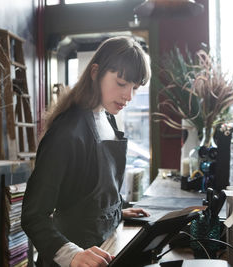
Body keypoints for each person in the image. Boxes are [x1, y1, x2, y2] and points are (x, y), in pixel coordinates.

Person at [21, 36, 151, 267]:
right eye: (122, 84)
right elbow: (33, 215)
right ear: (95, 73)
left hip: (106, 247)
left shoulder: (108, 119)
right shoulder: (67, 132)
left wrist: (118, 210)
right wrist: (72, 255)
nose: (129, 96)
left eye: (135, 88)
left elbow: (89, 191)